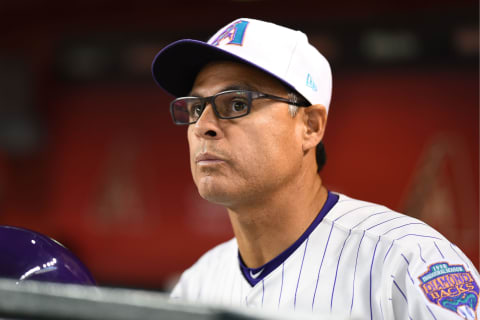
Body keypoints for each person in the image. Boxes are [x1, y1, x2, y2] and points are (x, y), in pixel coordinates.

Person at [152, 18, 479, 319]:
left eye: (237, 103)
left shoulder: (409, 261)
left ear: (310, 126)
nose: (202, 126)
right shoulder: (196, 285)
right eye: (195, 108)